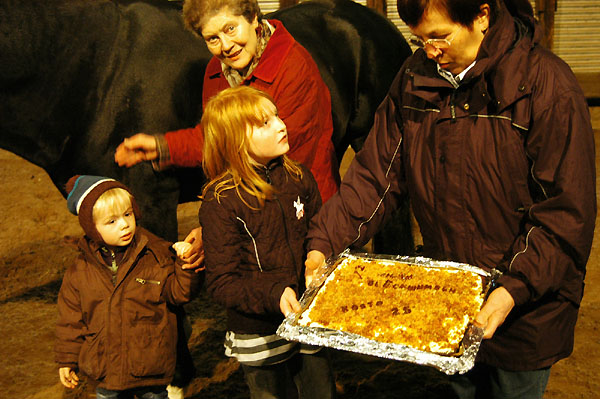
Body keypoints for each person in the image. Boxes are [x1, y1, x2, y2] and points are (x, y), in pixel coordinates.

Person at [304, 1, 596, 398]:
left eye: (440, 36)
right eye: (419, 38)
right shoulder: (414, 78)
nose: (429, 50)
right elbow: (376, 176)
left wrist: (513, 288)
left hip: (527, 307)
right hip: (448, 302)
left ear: (482, 15)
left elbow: (563, 214)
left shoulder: (546, 86)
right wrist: (325, 242)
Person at [113, 0, 340, 257]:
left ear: (253, 18)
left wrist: (218, 226)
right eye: (212, 38)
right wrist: (160, 147)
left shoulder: (294, 67)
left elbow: (280, 162)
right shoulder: (216, 73)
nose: (226, 46)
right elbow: (217, 137)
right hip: (253, 207)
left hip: (299, 208)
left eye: (230, 29)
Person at [198, 86, 336, 399]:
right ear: (234, 140)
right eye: (264, 123)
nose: (280, 124)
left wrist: (322, 262)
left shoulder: (299, 176)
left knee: (320, 391)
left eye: (275, 115)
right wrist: (273, 294)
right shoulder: (222, 201)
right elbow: (222, 282)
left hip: (309, 315)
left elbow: (320, 231)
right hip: (261, 332)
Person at [55, 175, 201, 399]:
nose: (124, 224)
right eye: (111, 221)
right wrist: (67, 359)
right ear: (92, 228)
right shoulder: (80, 271)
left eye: (127, 214)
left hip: (150, 368)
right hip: (106, 371)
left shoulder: (155, 254)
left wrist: (184, 265)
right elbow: (70, 320)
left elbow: (179, 293)